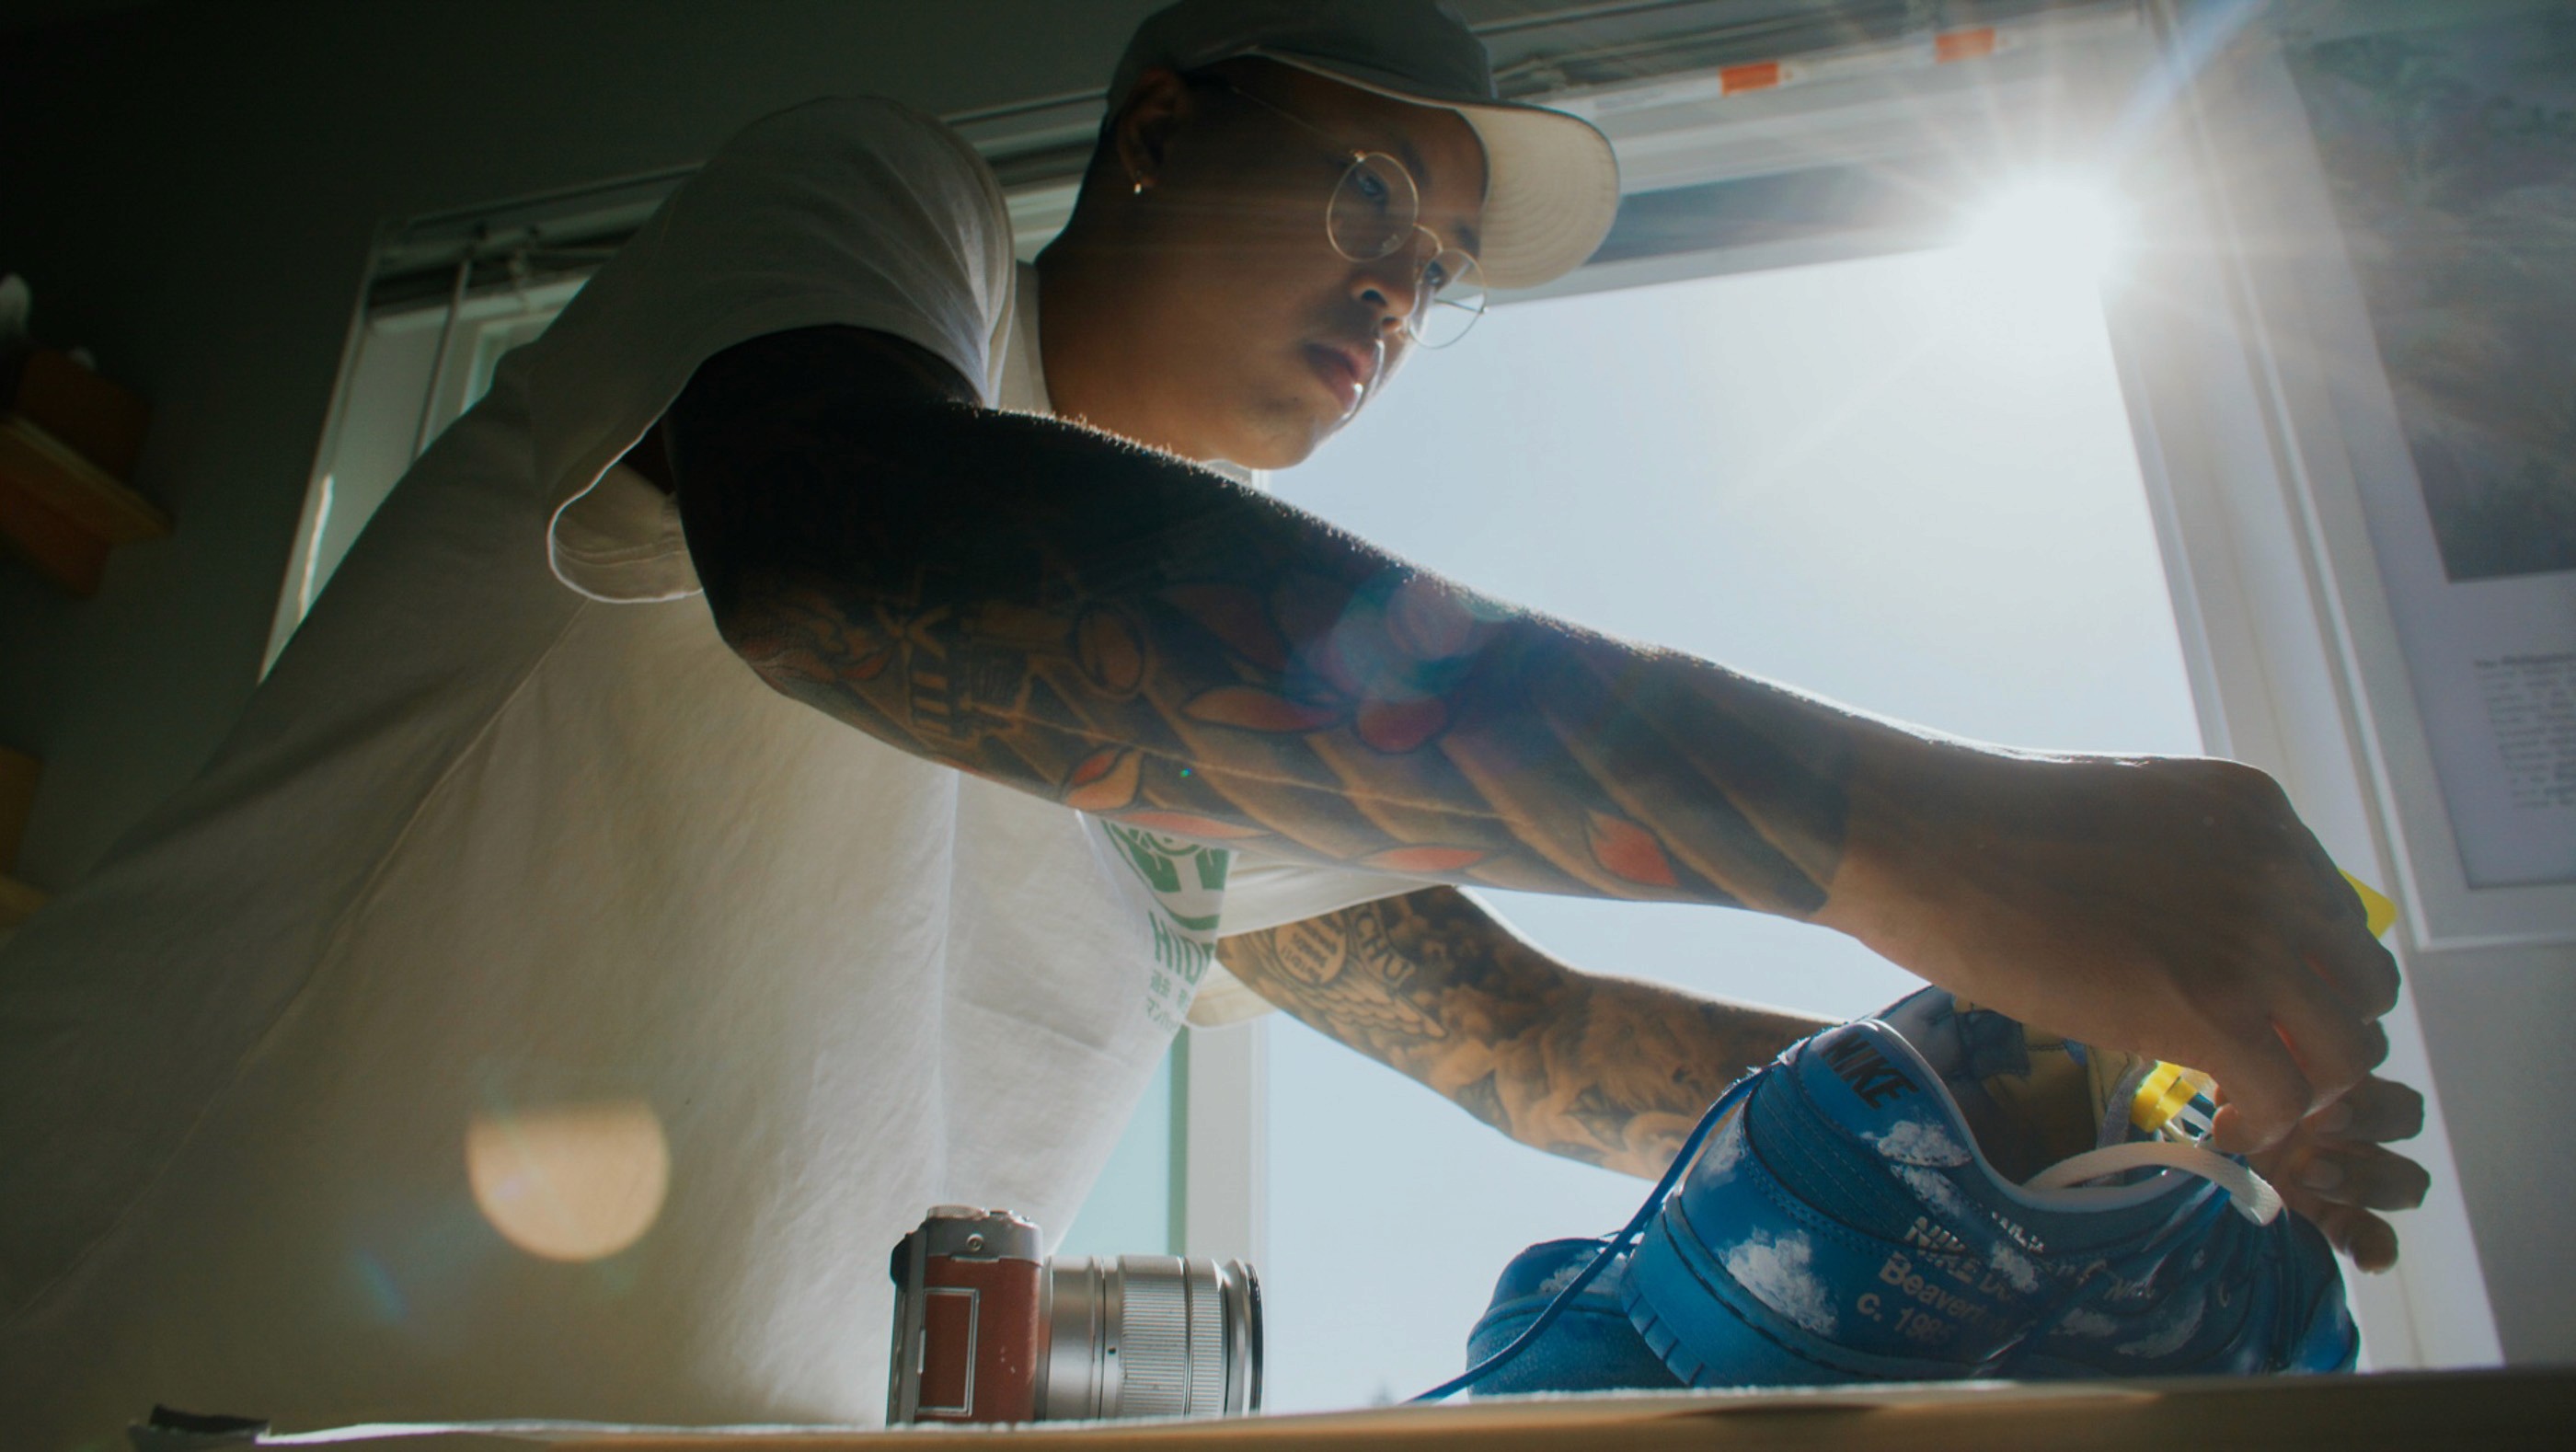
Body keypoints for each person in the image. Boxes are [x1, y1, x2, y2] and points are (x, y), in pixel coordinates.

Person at [0, 0, 2424, 1443]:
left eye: (1440, 276)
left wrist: (2038, 1108)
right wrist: (1933, 831)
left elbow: (1533, 1042)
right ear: (1162, 127)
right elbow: (857, 550)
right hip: (124, 1363)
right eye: (1372, 202)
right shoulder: (885, 225)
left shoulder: (1202, 766)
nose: (1397, 302)